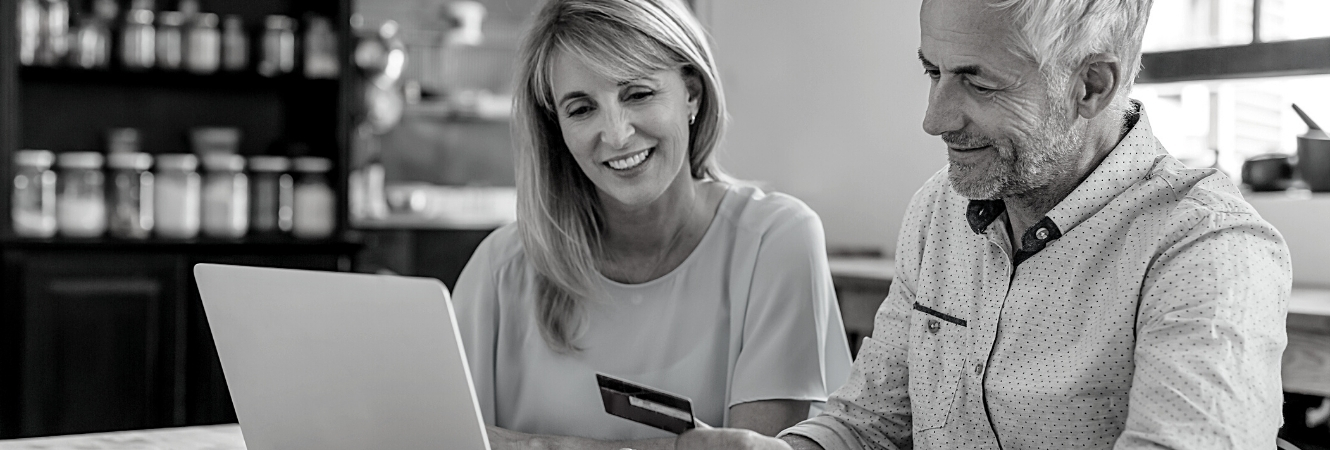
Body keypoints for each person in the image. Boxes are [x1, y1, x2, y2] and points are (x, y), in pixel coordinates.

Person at [677, 0, 1292, 449]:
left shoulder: (1208, 250)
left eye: (977, 81)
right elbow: (873, 422)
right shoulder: (939, 208)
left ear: (1091, 85)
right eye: (932, 72)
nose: (934, 118)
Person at [450, 0, 854, 449]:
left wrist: (532, 445)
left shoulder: (774, 242)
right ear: (556, 128)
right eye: (582, 109)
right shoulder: (499, 268)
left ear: (692, 93)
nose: (617, 134)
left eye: (637, 94)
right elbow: (426, 435)